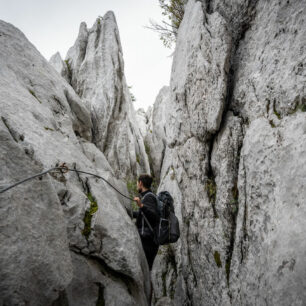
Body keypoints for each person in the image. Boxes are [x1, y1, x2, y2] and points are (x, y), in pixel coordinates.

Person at [133, 174, 159, 271]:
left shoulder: (149, 197)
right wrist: (130, 213)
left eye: (137, 184)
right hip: (147, 239)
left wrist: (141, 205)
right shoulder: (146, 197)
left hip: (148, 240)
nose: (137, 186)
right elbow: (143, 216)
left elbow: (153, 216)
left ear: (140, 183)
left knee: (145, 270)